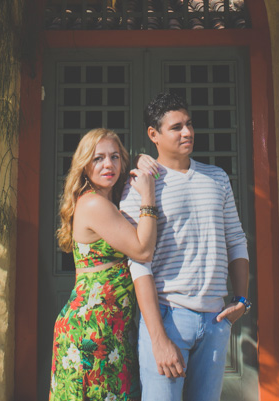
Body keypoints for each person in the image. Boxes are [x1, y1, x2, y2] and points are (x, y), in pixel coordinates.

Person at [119, 92, 251, 401]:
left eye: (189, 124)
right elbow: (138, 262)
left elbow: (236, 238)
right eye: (176, 127)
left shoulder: (217, 178)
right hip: (168, 316)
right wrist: (157, 336)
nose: (187, 132)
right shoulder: (141, 184)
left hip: (216, 319)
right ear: (154, 135)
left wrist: (242, 300)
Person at [51, 128, 159, 401]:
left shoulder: (108, 201)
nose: (108, 164)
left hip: (111, 326)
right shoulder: (94, 204)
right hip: (92, 329)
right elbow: (143, 250)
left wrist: (142, 163)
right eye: (98, 158)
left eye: (114, 157)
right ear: (84, 166)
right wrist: (148, 197)